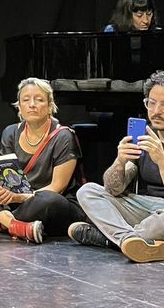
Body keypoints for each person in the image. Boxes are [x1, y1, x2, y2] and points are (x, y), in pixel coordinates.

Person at [0, 77, 83, 243]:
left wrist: (18, 198)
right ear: (19, 106)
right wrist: (0, 189)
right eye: (26, 100)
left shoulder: (63, 136)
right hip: (16, 202)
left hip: (47, 204)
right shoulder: (10, 132)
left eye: (39, 100)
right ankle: (14, 225)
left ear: (49, 106)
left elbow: (57, 188)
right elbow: (3, 175)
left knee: (48, 199)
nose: (32, 104)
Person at [68, 70, 164, 262]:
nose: (156, 111)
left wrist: (161, 160)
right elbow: (113, 189)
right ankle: (131, 240)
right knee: (88, 191)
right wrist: (120, 161)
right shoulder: (143, 137)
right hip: (143, 207)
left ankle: (110, 238)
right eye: (151, 103)